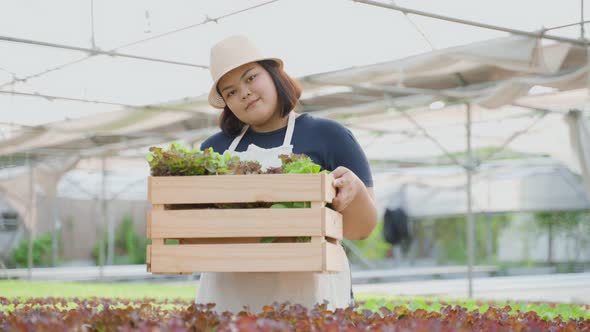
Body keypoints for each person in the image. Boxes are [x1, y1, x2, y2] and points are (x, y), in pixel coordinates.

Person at [196, 34, 378, 313]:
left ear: (274, 76)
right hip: (229, 294)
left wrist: (354, 191)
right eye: (230, 91)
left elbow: (361, 229)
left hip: (310, 293)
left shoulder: (329, 135)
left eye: (250, 78)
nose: (243, 92)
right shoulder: (213, 149)